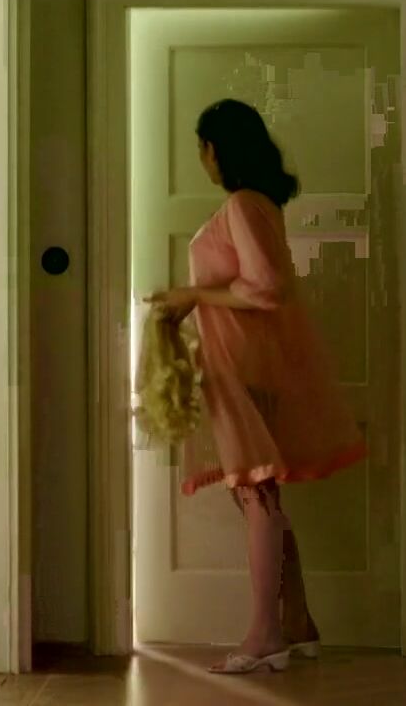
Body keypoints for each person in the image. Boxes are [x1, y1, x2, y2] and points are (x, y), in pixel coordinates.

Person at [146, 98, 368, 675]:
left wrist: (191, 295)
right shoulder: (259, 204)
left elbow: (266, 287)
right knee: (262, 495)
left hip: (243, 369)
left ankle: (266, 633)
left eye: (201, 147)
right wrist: (188, 305)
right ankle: (297, 624)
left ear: (214, 149)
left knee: (256, 495)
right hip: (251, 364)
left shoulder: (243, 205)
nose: (201, 159)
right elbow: (249, 287)